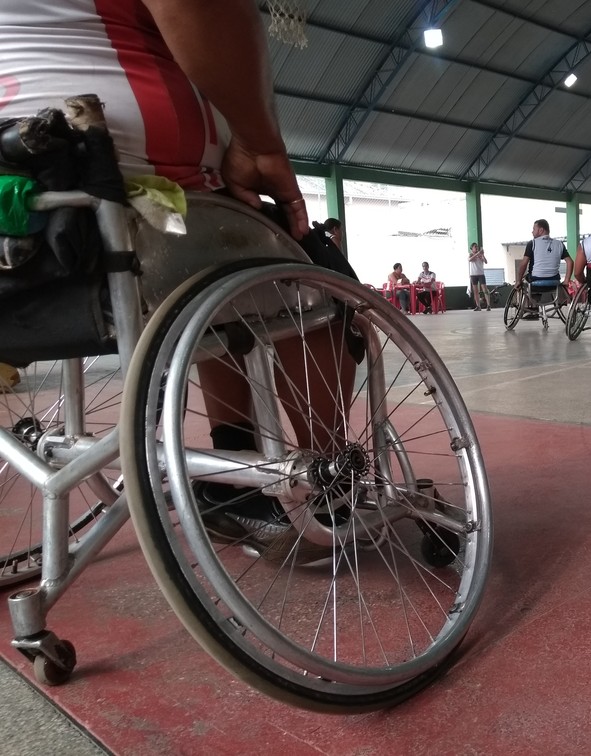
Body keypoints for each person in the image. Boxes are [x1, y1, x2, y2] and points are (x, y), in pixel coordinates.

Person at [0, 0, 356, 562]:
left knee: (222, 290)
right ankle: (329, 475)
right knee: (317, 280)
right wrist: (259, 141)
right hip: (122, 192)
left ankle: (229, 472)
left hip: (24, 206)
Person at [516, 219, 572, 311]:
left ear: (541, 230)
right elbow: (570, 262)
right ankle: (560, 302)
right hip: (554, 282)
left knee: (523, 282)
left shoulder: (532, 243)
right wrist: (566, 280)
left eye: (534, 229)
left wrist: (518, 281)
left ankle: (530, 309)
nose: (532, 232)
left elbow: (523, 264)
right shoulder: (559, 244)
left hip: (535, 282)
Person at [468, 242, 492, 311]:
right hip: (473, 275)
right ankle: (478, 306)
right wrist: (477, 254)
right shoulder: (470, 255)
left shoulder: (480, 255)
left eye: (477, 246)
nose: (476, 248)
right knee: (475, 291)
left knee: (485, 289)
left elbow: (486, 262)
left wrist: (482, 255)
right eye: (475, 247)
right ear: (472, 248)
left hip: (481, 274)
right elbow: (469, 259)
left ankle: (488, 305)